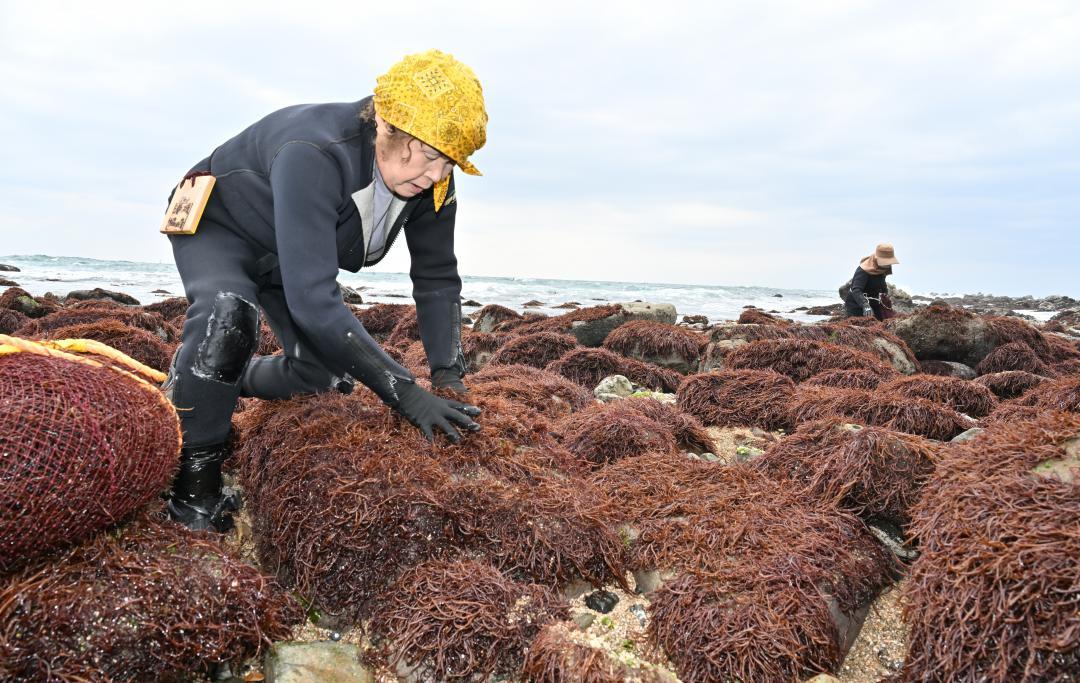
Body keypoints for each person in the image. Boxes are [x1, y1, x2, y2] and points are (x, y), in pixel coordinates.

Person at [161, 50, 486, 532]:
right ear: (388, 126)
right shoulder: (313, 151)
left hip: (292, 250)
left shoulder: (434, 185)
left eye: (452, 162)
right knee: (227, 317)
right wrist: (404, 392)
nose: (438, 174)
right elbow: (314, 301)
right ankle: (193, 490)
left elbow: (437, 278)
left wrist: (447, 377)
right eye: (432, 155)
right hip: (223, 226)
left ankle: (206, 380)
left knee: (321, 375)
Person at [843, 243, 899, 320]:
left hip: (874, 302)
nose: (889, 265)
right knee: (863, 326)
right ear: (877, 259)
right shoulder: (863, 270)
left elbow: (882, 284)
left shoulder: (882, 268)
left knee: (882, 323)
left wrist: (885, 294)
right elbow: (856, 290)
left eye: (889, 262)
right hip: (857, 304)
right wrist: (865, 305)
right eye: (886, 262)